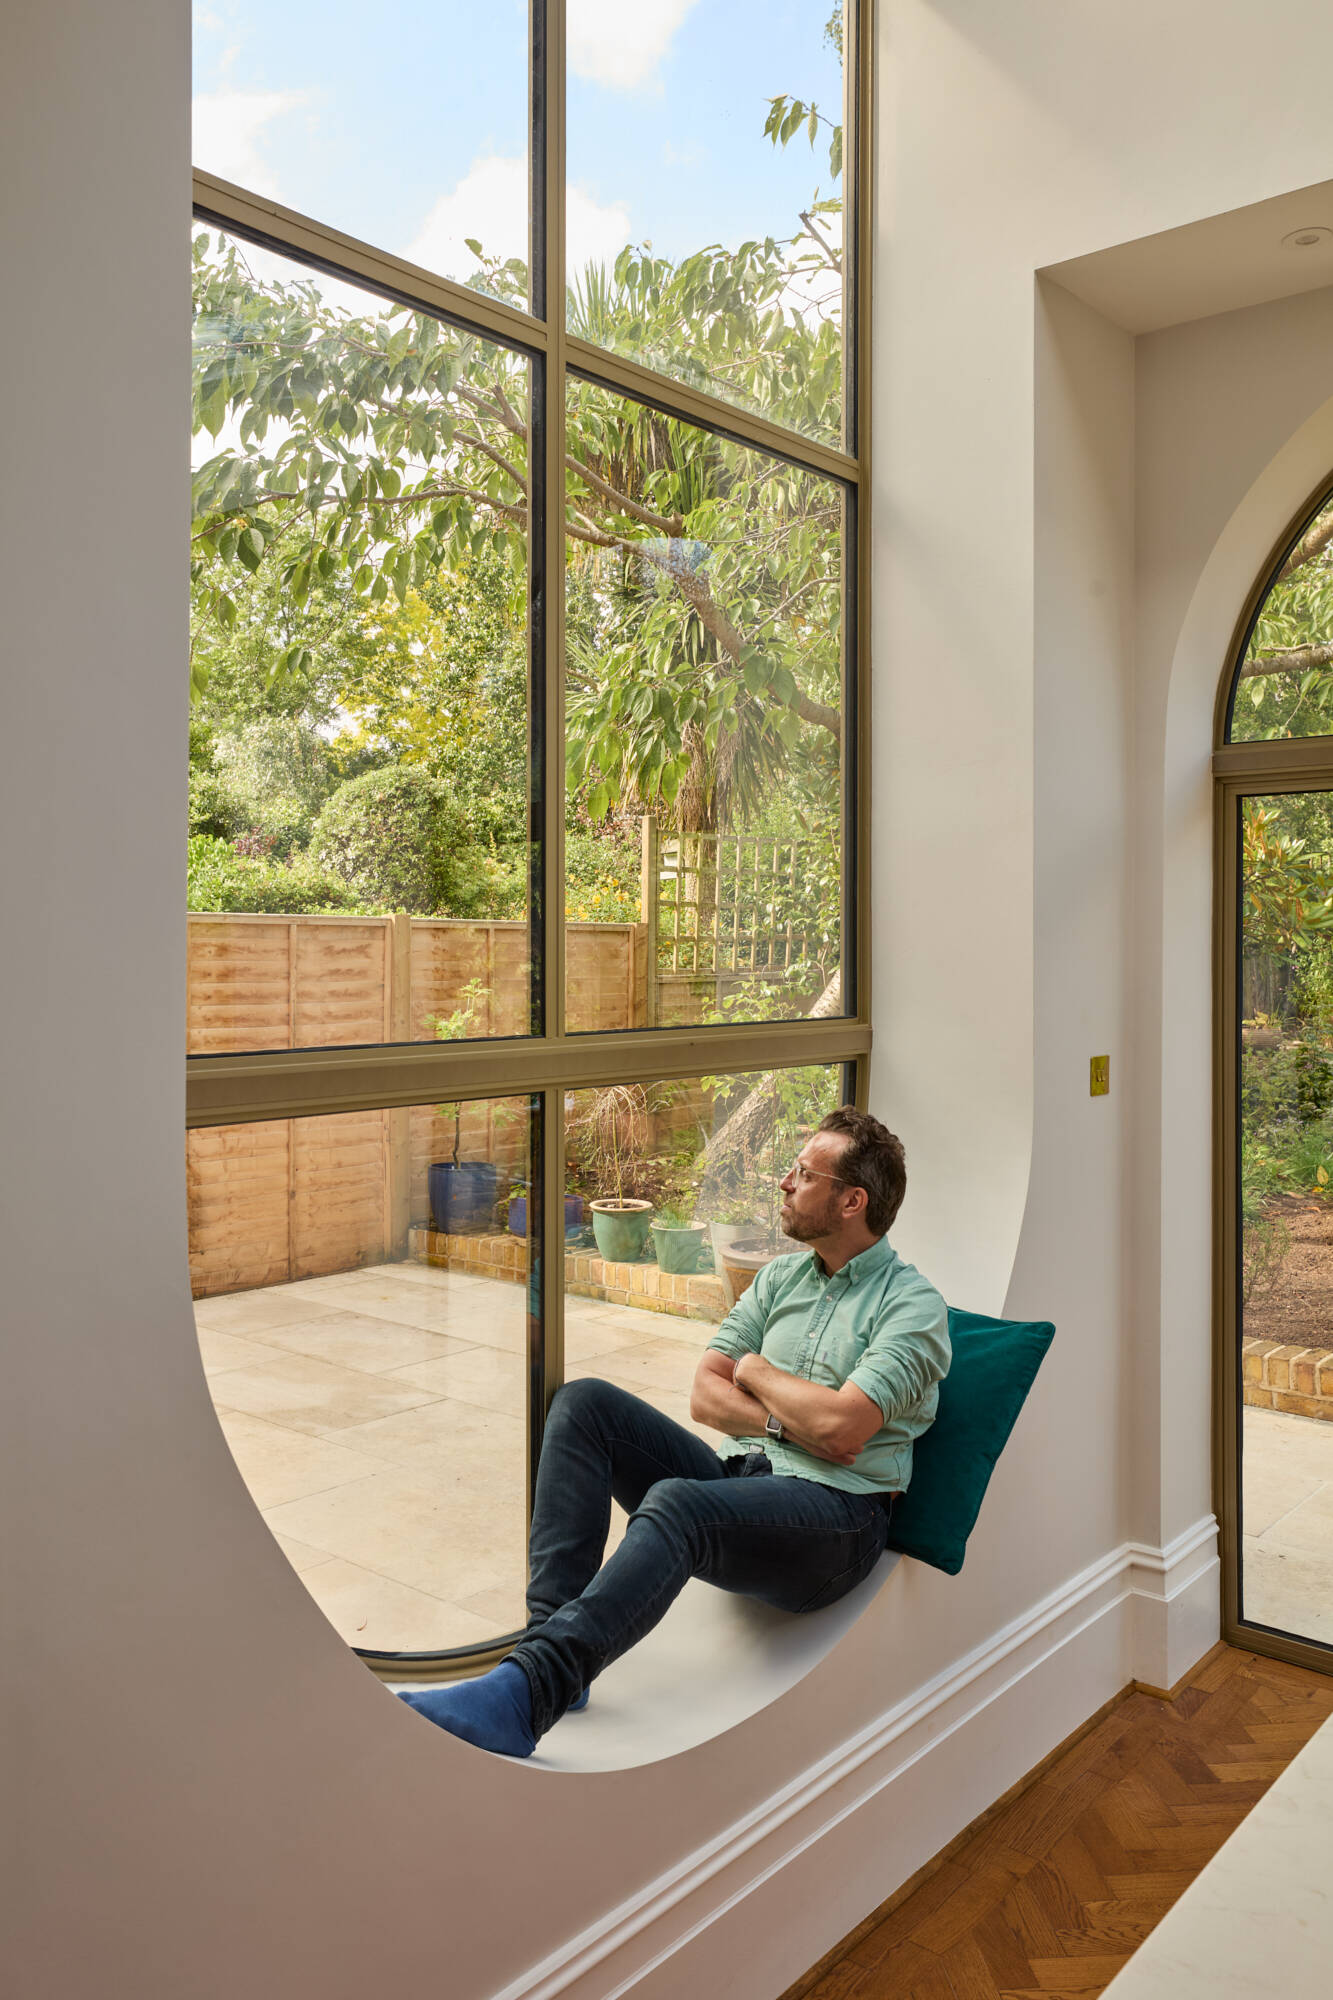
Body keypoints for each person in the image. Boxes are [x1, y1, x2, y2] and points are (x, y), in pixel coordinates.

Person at [399, 1106, 950, 1757]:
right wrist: (783, 1419)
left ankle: (527, 1694)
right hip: (745, 1479)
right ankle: (550, 1649)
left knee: (678, 1502)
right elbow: (704, 1397)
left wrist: (755, 1370)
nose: (783, 1182)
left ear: (851, 1201)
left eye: (802, 1174)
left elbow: (840, 1428)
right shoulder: (778, 1278)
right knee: (583, 1405)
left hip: (837, 1519)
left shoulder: (911, 1306)